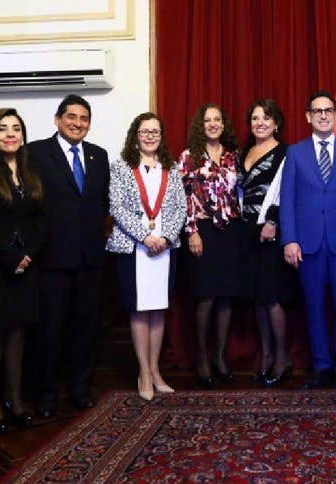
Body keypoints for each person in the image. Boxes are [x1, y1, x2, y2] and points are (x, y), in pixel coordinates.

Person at [279, 90, 336, 397]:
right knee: (314, 309)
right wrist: (289, 239)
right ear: (308, 116)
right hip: (308, 245)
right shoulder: (294, 153)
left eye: (328, 110)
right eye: (317, 111)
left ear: (335, 114)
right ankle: (321, 366)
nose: (323, 115)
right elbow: (287, 201)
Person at [29, 94, 110, 418]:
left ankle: (80, 389)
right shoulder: (35, 153)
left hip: (90, 259)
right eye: (72, 117)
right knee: (49, 330)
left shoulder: (98, 156)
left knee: (85, 328)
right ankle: (46, 395)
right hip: (52, 259)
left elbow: (103, 204)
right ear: (58, 119)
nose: (78, 123)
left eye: (84, 119)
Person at [0, 108, 48, 434]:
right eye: (3, 129)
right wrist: (9, 255)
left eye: (16, 128)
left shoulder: (31, 169)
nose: (10, 134)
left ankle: (15, 401)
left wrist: (28, 253)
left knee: (18, 333)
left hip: (26, 263)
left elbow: (43, 216)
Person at [106, 112, 186, 400]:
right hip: (134, 248)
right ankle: (143, 372)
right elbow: (117, 207)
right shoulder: (121, 168)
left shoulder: (172, 169)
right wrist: (145, 236)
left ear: (161, 137)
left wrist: (164, 238)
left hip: (164, 249)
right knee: (139, 310)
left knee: (158, 308)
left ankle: (155, 371)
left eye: (155, 131)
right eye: (145, 131)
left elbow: (180, 209)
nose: (150, 136)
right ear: (135, 135)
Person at [179, 103, 244, 388]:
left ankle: (219, 357)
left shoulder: (234, 157)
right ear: (200, 125)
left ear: (223, 124)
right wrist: (191, 231)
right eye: (207, 120)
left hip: (230, 232)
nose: (213, 124)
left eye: (218, 119)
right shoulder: (188, 157)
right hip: (202, 231)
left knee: (226, 296)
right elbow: (183, 197)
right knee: (206, 297)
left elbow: (240, 194)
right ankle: (202, 357)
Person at [237, 99, 297, 386]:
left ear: (276, 123)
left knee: (272, 298)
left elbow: (286, 191)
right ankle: (267, 355)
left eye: (266, 118)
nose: (259, 122)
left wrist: (273, 221)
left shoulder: (285, 153)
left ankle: (283, 357)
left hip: (271, 231)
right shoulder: (242, 152)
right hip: (247, 231)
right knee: (258, 299)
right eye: (255, 118)